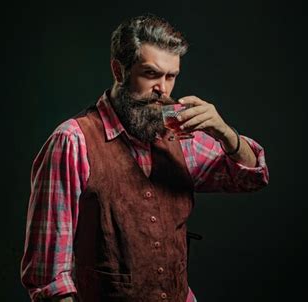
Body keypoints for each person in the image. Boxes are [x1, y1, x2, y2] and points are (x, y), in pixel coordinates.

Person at [20, 14, 269, 302]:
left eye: (171, 76)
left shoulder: (178, 135)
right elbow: (51, 280)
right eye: (151, 74)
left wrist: (226, 133)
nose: (162, 89)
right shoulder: (72, 141)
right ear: (118, 70)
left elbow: (252, 177)